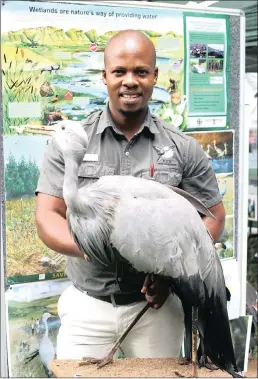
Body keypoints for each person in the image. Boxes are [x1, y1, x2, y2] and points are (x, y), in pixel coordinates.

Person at [35, 30, 225, 360]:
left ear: (154, 76)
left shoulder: (182, 148)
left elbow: (213, 218)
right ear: (105, 76)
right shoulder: (72, 141)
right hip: (87, 306)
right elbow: (47, 216)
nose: (130, 81)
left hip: (155, 311)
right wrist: (95, 247)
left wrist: (169, 269)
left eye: (140, 72)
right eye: (120, 72)